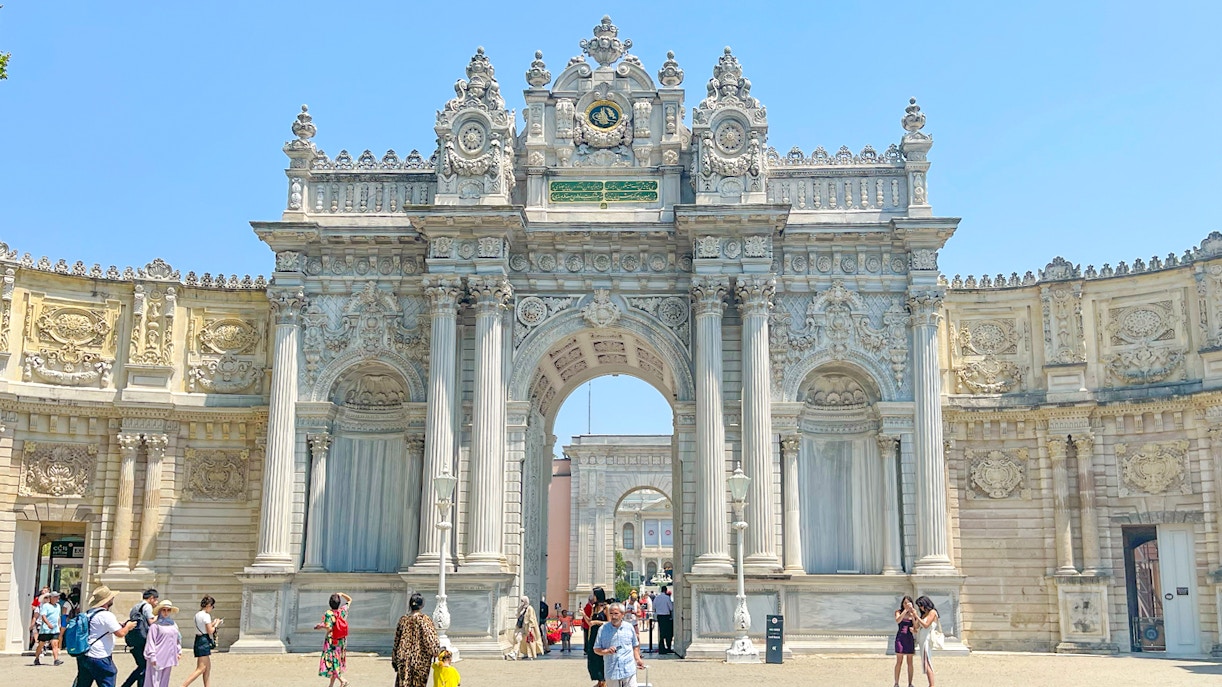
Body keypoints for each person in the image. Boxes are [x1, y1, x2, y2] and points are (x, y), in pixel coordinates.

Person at [75, 584, 140, 687]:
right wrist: (128, 626)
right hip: (99, 655)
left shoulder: (89, 613)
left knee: (83, 683)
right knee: (108, 677)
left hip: (85, 653)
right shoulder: (106, 615)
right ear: (107, 601)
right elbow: (121, 633)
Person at [392, 592, 439, 687]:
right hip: (420, 660)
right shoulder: (425, 620)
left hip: (403, 658)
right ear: (422, 605)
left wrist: (394, 660)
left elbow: (396, 641)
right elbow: (430, 640)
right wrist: (436, 652)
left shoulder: (403, 620)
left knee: (404, 684)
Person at [593, 603, 646, 687]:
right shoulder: (602, 629)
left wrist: (638, 659)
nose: (613, 616)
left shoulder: (629, 627)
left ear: (622, 614)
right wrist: (606, 651)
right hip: (612, 671)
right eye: (611, 613)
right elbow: (596, 649)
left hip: (628, 670)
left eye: (616, 613)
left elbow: (635, 645)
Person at [180, 595, 222, 687]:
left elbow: (203, 627)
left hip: (198, 639)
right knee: (201, 668)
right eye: (212, 606)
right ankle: (183, 685)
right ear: (209, 605)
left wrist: (212, 623)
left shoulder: (197, 615)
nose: (212, 608)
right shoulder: (206, 615)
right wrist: (216, 625)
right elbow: (210, 631)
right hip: (204, 641)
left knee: (207, 667)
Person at [120, 588, 159, 687]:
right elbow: (151, 621)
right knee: (144, 667)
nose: (157, 602)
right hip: (143, 640)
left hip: (135, 640)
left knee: (142, 666)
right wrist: (160, 616)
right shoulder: (147, 606)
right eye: (156, 599)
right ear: (151, 598)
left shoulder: (135, 607)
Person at [313, 592, 351, 687]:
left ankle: (342, 680)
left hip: (332, 640)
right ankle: (331, 685)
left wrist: (320, 626)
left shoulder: (328, 613)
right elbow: (350, 600)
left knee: (332, 661)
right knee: (337, 660)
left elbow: (329, 627)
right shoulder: (343, 611)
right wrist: (342, 594)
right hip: (341, 639)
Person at [144, 599, 182, 687]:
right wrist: (152, 656)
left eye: (168, 610)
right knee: (155, 680)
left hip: (169, 655)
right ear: (160, 611)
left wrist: (178, 651)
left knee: (165, 679)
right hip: (158, 656)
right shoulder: (155, 626)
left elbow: (177, 639)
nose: (166, 612)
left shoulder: (173, 624)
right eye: (164, 610)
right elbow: (151, 641)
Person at [914, 596, 940, 687]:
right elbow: (916, 626)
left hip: (927, 639)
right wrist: (914, 616)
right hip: (922, 640)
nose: (921, 608)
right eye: (919, 606)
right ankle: (930, 684)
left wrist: (917, 616)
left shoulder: (932, 612)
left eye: (921, 605)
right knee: (925, 662)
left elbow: (926, 625)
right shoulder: (924, 614)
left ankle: (932, 685)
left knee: (927, 662)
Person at [893, 596, 917, 687]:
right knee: (899, 661)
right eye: (905, 603)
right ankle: (896, 683)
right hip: (900, 637)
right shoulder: (898, 612)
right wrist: (905, 610)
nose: (906, 604)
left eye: (908, 603)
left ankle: (910, 683)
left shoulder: (913, 613)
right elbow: (898, 620)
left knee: (910, 662)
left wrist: (913, 615)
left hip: (909, 638)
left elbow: (916, 627)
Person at [584, 598, 608, 687]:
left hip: (601, 635)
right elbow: (590, 623)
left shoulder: (606, 607)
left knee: (600, 658)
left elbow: (609, 622)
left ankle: (603, 681)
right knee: (592, 658)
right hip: (593, 636)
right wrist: (583, 614)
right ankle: (599, 680)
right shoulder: (594, 608)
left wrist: (597, 622)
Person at [34, 591, 62, 666]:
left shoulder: (58, 606)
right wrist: (48, 624)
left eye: (57, 597)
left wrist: (59, 625)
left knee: (55, 644)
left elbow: (58, 616)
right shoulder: (45, 606)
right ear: (51, 598)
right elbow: (43, 616)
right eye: (55, 597)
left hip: (55, 629)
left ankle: (56, 660)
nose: (57, 598)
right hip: (45, 630)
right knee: (41, 644)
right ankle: (36, 658)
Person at [515, 595, 544, 660]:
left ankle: (532, 655)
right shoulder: (522, 608)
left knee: (530, 641)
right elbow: (517, 615)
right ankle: (521, 653)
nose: (521, 602)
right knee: (520, 640)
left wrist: (531, 627)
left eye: (522, 601)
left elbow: (531, 618)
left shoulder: (530, 608)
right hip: (522, 627)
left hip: (528, 627)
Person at [652, 586, 673, 654]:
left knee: (661, 632)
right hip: (666, 616)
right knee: (668, 633)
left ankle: (661, 647)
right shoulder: (667, 598)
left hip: (660, 616)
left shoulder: (657, 597)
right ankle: (668, 647)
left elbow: (653, 607)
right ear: (666, 591)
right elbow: (671, 607)